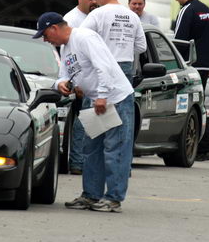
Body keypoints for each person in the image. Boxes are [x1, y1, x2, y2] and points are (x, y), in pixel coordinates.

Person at [34, 12, 135, 213]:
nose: (45, 39)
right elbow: (64, 74)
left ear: (54, 28)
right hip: (95, 99)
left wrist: (102, 96)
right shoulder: (65, 47)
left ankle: (113, 198)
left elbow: (103, 66)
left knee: (115, 149)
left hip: (114, 99)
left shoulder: (84, 37)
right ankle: (91, 195)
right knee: (92, 149)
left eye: (45, 34)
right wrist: (62, 84)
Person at [170, 0, 209, 161]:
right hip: (205, 66)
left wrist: (178, 65)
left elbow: (179, 41)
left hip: (190, 66)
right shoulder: (207, 10)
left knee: (188, 107)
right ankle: (205, 148)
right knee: (198, 105)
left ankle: (203, 148)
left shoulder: (187, 10)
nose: (176, 0)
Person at [81, 0, 146, 83]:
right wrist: (124, 48)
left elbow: (80, 37)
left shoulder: (97, 14)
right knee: (123, 99)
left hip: (103, 66)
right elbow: (141, 47)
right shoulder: (133, 16)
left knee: (99, 99)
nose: (95, 0)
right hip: (126, 67)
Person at [62, 0, 98, 175]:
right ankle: (77, 163)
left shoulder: (97, 17)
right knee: (82, 123)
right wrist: (75, 83)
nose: (94, 2)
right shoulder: (71, 19)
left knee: (96, 123)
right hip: (81, 83)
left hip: (95, 81)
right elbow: (69, 56)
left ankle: (89, 162)